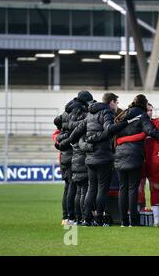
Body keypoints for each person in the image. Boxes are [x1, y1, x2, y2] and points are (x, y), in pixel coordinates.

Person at [68, 92, 137, 226]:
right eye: (116, 103)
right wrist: (126, 122)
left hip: (90, 158)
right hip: (103, 157)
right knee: (101, 189)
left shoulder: (90, 113)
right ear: (111, 102)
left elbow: (77, 130)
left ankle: (87, 219)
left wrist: (71, 141)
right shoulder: (106, 113)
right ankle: (99, 218)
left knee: (91, 188)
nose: (117, 105)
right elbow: (109, 129)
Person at [114, 95, 159, 227]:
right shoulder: (142, 116)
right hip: (134, 156)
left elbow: (112, 132)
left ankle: (124, 222)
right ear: (143, 105)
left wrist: (119, 143)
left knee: (123, 189)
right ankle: (134, 222)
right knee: (132, 189)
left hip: (119, 155)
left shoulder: (122, 115)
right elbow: (151, 132)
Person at [57, 91, 94, 225]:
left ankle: (66, 216)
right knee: (75, 188)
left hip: (65, 155)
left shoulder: (65, 113)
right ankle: (72, 217)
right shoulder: (80, 113)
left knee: (68, 187)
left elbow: (58, 124)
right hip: (74, 153)